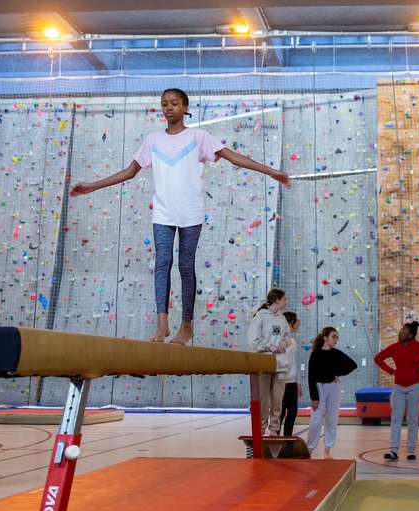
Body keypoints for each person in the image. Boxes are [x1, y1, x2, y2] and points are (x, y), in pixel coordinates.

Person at [70, 88, 291, 344]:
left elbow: (234, 158)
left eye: (174, 103)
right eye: (164, 104)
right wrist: (91, 186)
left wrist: (272, 171)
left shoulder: (198, 137)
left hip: (191, 212)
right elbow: (129, 172)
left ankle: (186, 325)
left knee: (186, 265)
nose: (168, 107)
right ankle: (162, 321)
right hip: (163, 211)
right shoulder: (152, 140)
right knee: (162, 262)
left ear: (185, 107)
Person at [374, 321, 419, 461]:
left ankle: (411, 450)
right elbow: (378, 359)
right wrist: (391, 371)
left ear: (410, 334)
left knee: (412, 418)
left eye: (403, 330)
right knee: (396, 418)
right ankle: (393, 450)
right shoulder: (394, 347)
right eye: (401, 329)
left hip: (415, 387)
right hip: (398, 387)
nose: (400, 332)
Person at [307, 327, 358, 458]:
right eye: (333, 336)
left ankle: (327, 450)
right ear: (325, 338)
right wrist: (314, 397)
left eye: (337, 337)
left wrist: (337, 373)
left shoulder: (336, 353)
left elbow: (353, 365)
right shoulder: (315, 354)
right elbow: (311, 377)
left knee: (332, 419)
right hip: (319, 388)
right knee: (316, 421)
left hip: (333, 388)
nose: (336, 340)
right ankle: (310, 448)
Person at [247, 289, 291, 437]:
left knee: (278, 401)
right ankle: (260, 428)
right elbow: (253, 342)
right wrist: (269, 347)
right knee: (263, 400)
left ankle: (274, 429)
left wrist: (285, 342)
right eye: (284, 299)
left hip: (280, 365)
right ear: (277, 300)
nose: (286, 302)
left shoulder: (282, 319)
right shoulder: (260, 316)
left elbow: (287, 335)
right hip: (264, 363)